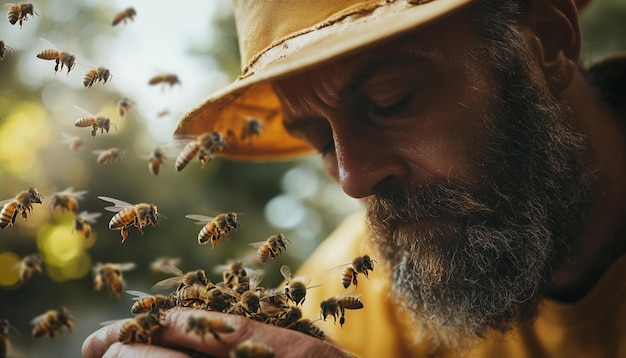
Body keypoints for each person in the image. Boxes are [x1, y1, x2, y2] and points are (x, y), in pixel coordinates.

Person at [83, 0, 626, 356]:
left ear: (549, 42)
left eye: (394, 101)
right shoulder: (359, 299)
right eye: (320, 140)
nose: (353, 180)